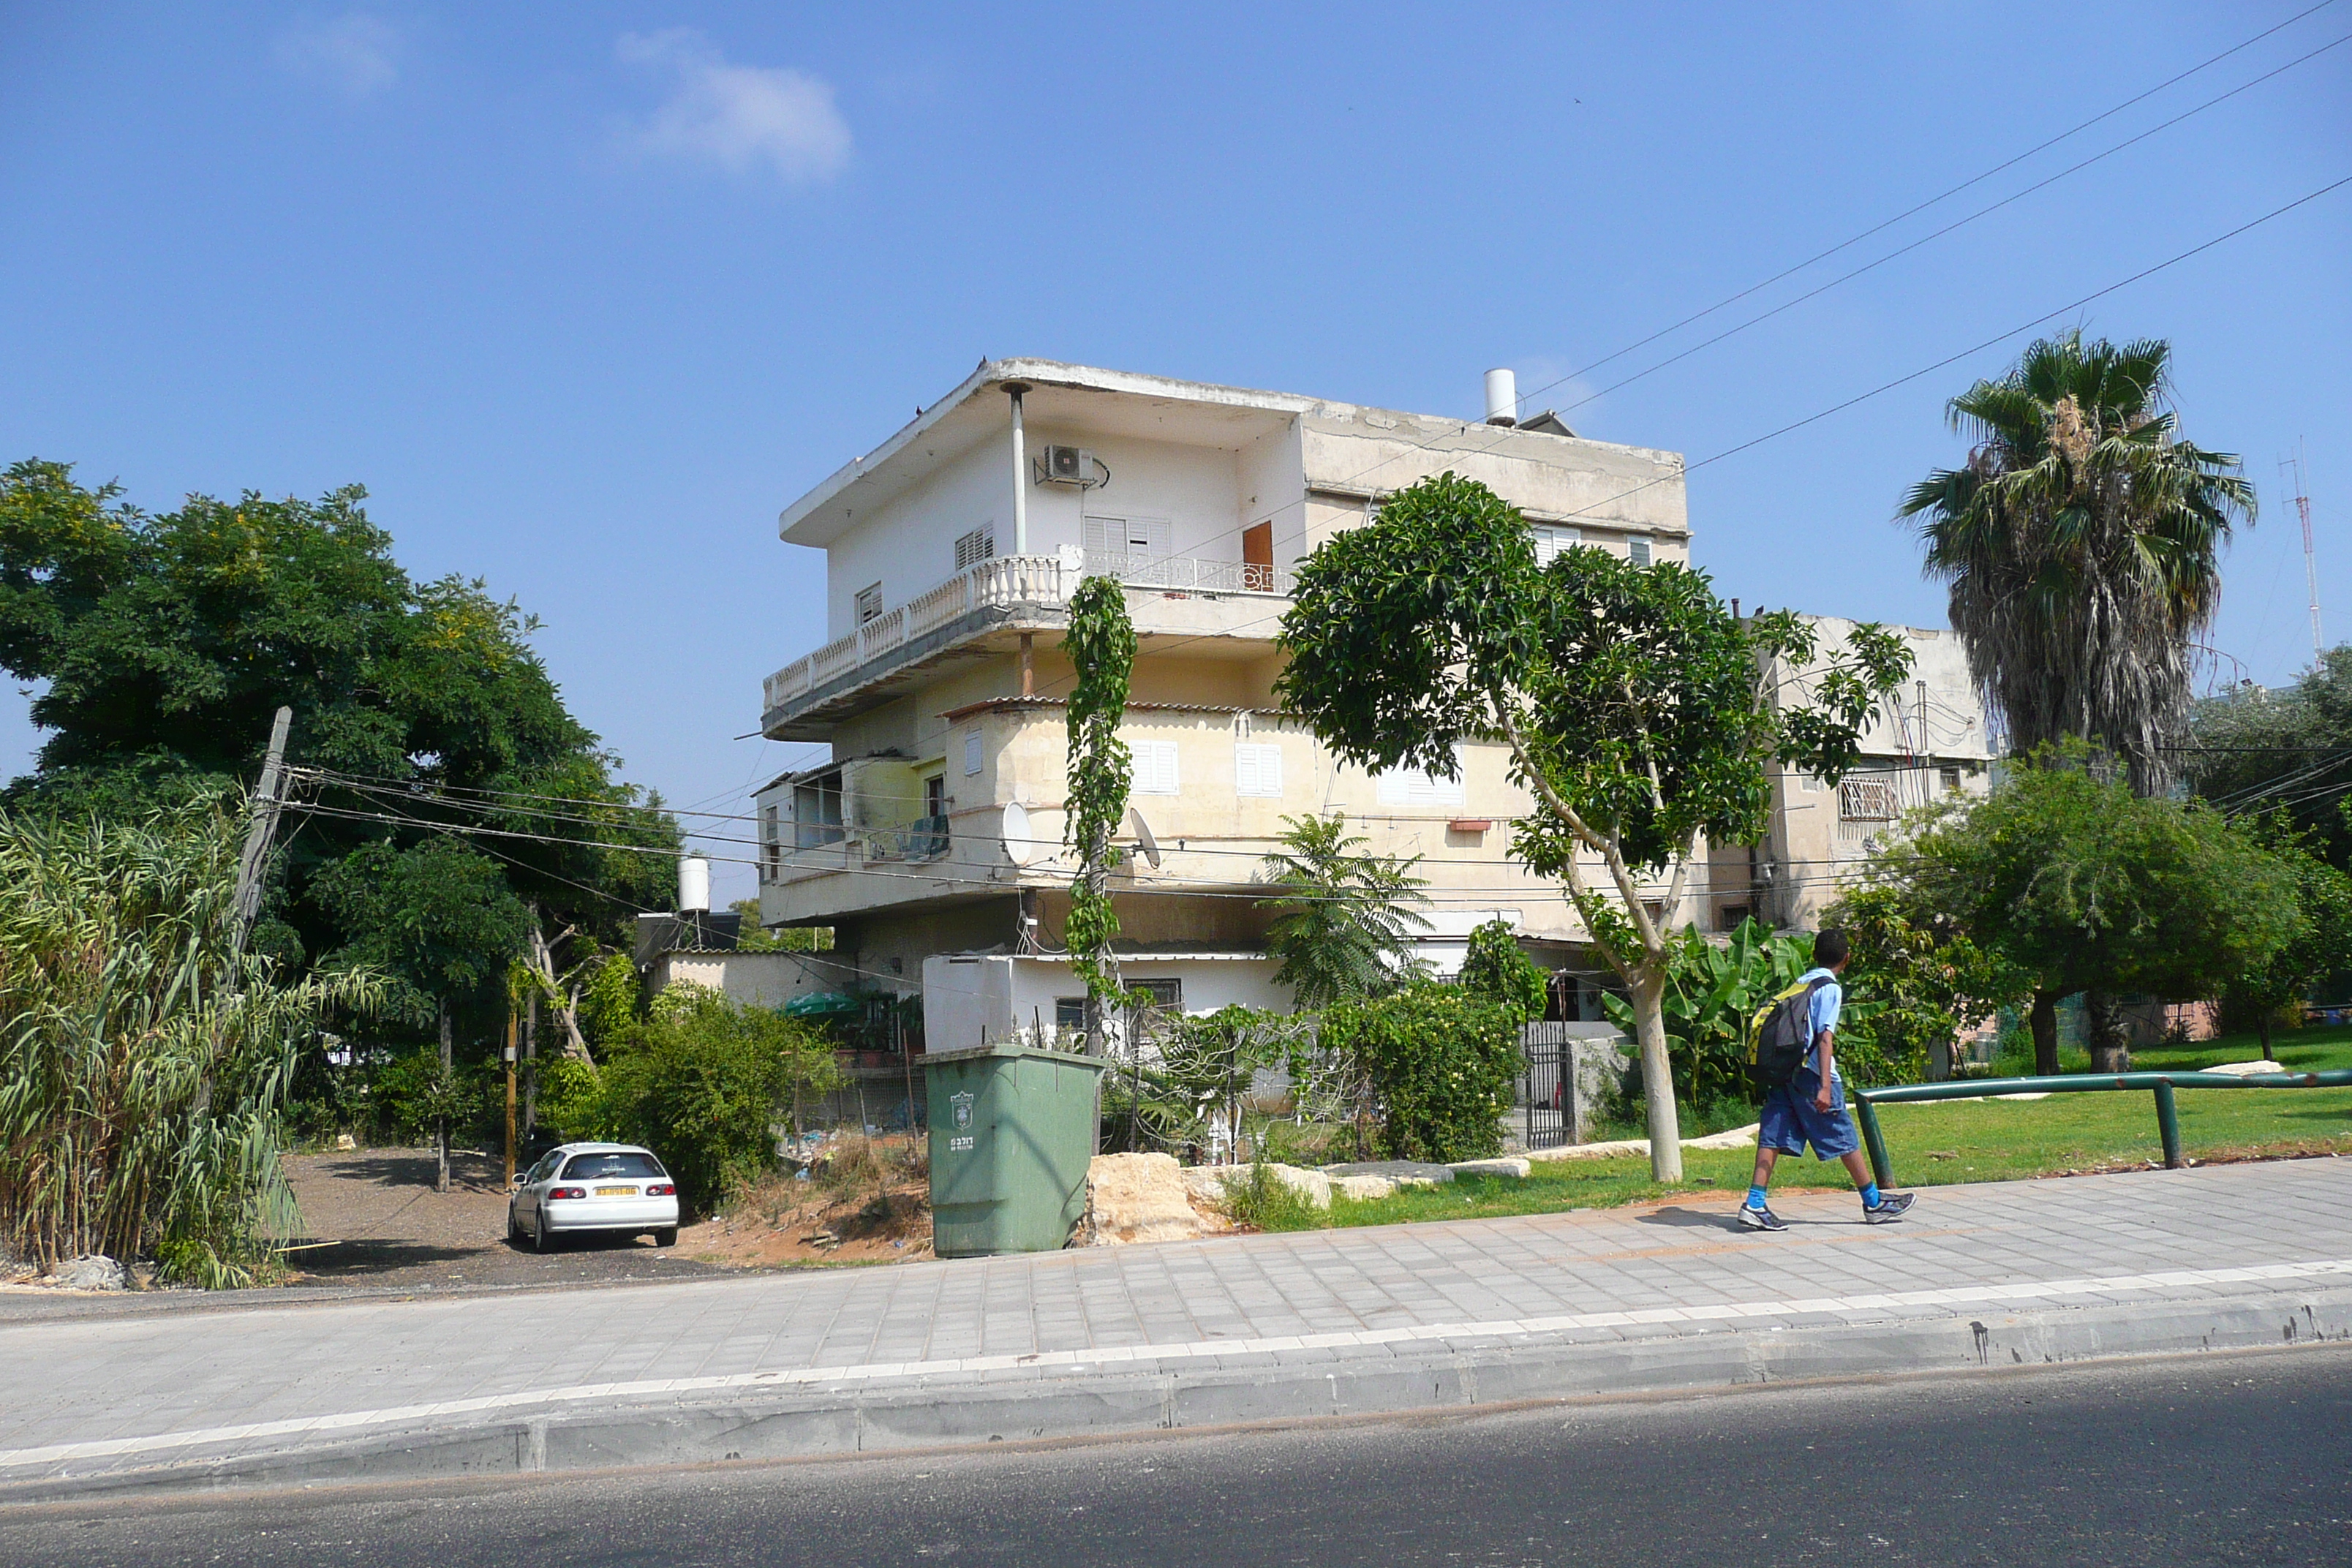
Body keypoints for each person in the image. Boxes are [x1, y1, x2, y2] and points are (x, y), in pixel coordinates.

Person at [1738, 927, 1913, 1231]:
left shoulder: (1801, 982)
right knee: (1841, 1132)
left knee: (1774, 1132)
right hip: (1812, 1074)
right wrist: (1824, 1087)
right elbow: (1824, 1038)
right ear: (1846, 959)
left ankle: (1755, 1203)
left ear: (1814, 955)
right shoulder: (1829, 988)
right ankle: (1873, 1202)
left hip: (1787, 1072)